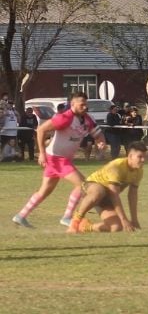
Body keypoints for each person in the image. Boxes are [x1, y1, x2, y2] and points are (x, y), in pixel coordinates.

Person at [12, 92, 106, 228]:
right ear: (73, 104)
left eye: (86, 104)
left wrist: (100, 142)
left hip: (61, 159)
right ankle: (67, 217)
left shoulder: (87, 119)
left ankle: (21, 216)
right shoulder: (65, 118)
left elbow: (98, 134)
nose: (85, 107)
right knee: (83, 185)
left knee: (44, 191)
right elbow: (41, 130)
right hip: (57, 159)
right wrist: (42, 153)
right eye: (82, 104)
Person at [67, 141, 148, 233]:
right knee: (99, 191)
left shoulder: (139, 172)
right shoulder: (117, 166)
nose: (143, 160)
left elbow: (132, 196)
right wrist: (124, 219)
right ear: (130, 156)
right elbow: (114, 195)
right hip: (91, 188)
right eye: (140, 157)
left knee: (116, 227)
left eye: (145, 157)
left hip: (106, 198)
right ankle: (75, 221)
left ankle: (85, 227)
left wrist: (134, 220)